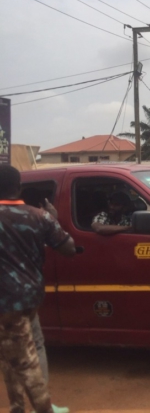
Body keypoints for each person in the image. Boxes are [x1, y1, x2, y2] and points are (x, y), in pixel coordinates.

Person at [0, 165, 76, 413]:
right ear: (19, 187)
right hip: (28, 298)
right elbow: (69, 249)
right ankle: (40, 409)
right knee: (29, 356)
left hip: (6, 302)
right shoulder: (40, 217)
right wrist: (53, 218)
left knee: (13, 355)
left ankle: (21, 407)